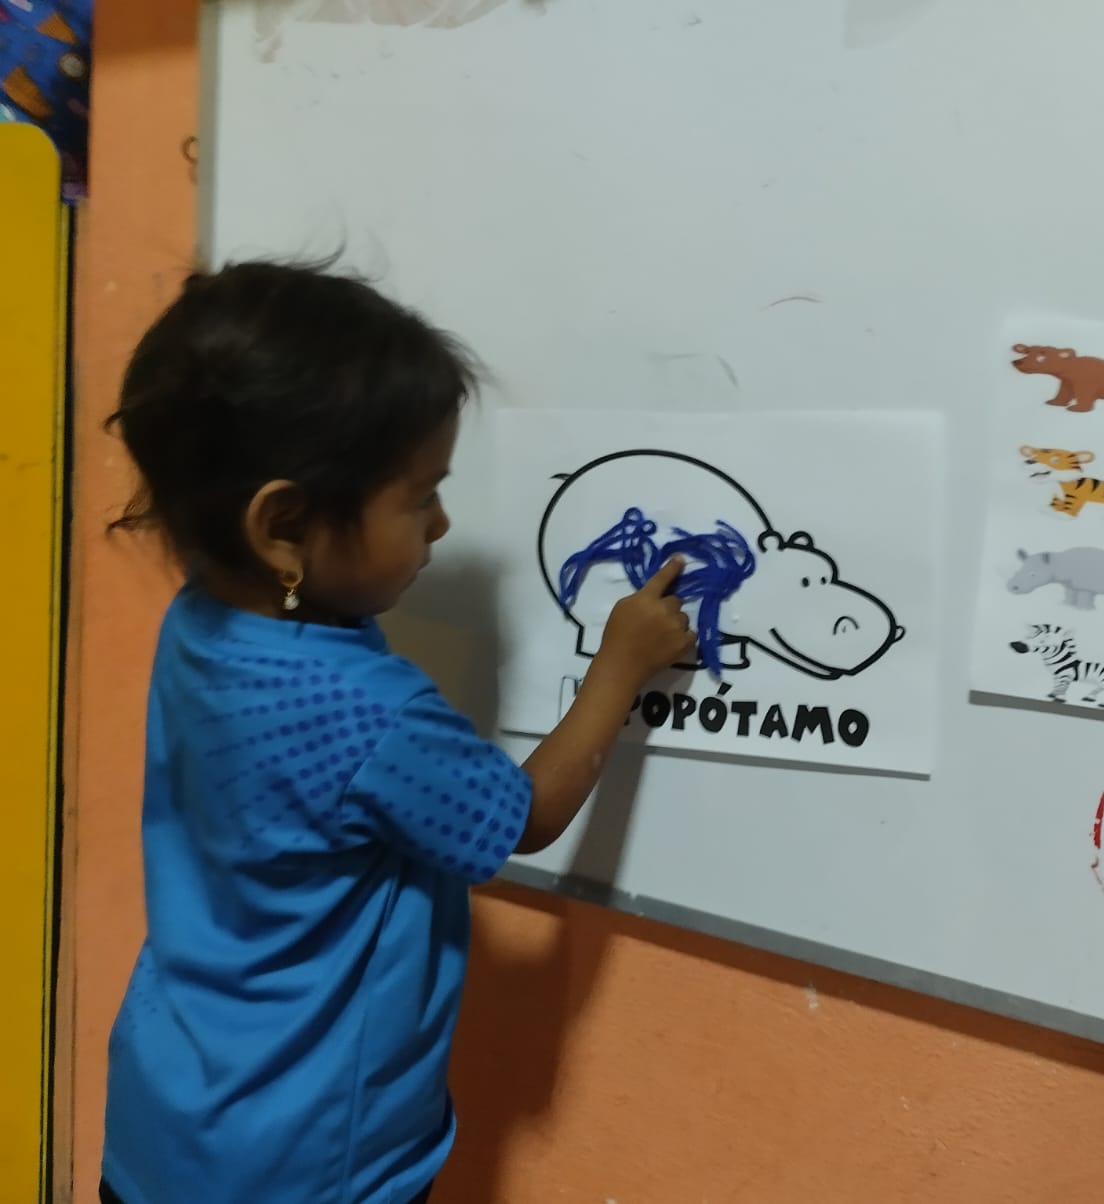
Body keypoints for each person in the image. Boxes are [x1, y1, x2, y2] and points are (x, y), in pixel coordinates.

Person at [98, 259, 695, 1204]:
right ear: (282, 526)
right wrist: (619, 664)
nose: (442, 523)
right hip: (306, 1165)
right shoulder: (368, 711)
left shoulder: (201, 621)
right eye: (419, 498)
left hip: (167, 1126)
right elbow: (526, 816)